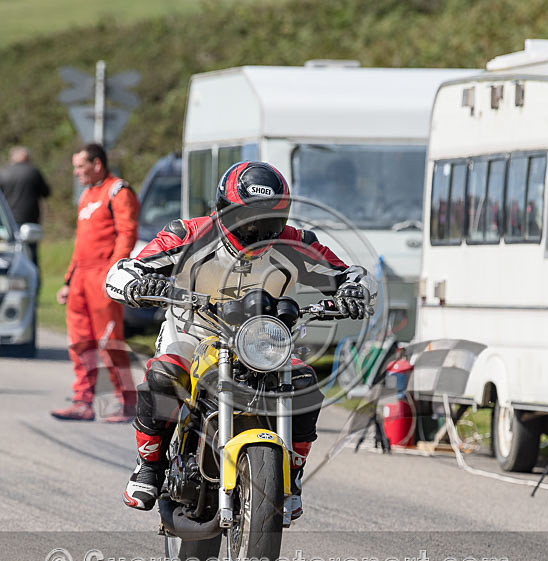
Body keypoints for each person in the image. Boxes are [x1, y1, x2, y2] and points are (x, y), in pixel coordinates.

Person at [106, 161, 373, 517]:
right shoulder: (188, 235)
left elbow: (353, 275)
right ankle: (149, 465)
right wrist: (140, 284)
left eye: (270, 218)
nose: (259, 228)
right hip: (193, 333)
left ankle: (291, 476)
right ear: (224, 211)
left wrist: (354, 292)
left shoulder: (296, 244)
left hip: (263, 343)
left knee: (305, 384)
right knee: (164, 376)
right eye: (250, 218)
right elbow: (122, 271)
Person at [51, 143, 139, 422]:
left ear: (97, 164)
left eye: (80, 166)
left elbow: (127, 234)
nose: (76, 172)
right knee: (79, 342)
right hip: (80, 278)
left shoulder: (118, 191)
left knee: (108, 343)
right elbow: (80, 244)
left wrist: (113, 273)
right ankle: (83, 401)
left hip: (102, 275)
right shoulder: (87, 195)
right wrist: (68, 280)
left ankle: (127, 402)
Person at [0, 146, 50, 266]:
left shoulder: (3, 173)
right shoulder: (33, 172)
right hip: (30, 222)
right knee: (31, 257)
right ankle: (32, 282)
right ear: (26, 157)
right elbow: (46, 192)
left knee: (9, 257)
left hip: (8, 225)